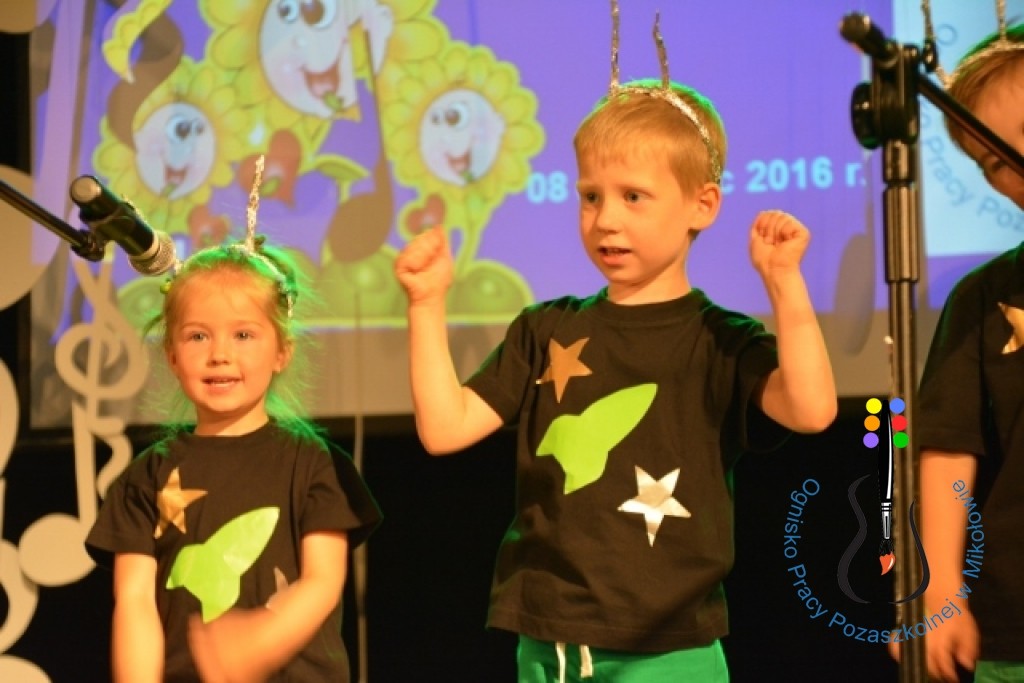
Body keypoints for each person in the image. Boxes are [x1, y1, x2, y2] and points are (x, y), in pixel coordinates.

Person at [394, 44, 837, 682]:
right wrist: (426, 304)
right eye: (590, 196)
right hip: (548, 646)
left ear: (703, 205)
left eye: (633, 197)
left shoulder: (720, 340)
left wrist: (785, 284)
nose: (605, 220)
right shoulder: (546, 329)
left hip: (669, 651)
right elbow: (444, 428)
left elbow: (812, 410)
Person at [85, 170, 381, 682]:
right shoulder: (145, 478)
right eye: (198, 336)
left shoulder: (314, 464)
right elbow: (135, 603)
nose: (219, 354)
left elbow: (322, 581)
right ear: (172, 355)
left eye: (243, 335)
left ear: (282, 351)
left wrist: (259, 641)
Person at [909, 21, 1024, 683]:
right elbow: (949, 445)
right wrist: (942, 585)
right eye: (996, 160)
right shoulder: (983, 297)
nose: (1017, 162)